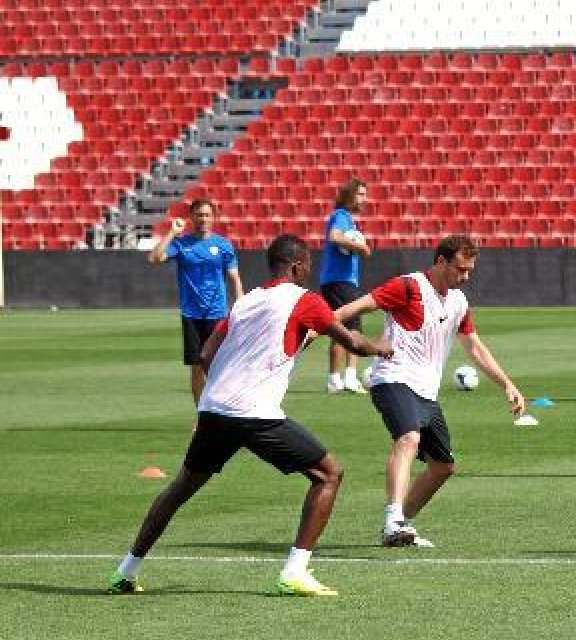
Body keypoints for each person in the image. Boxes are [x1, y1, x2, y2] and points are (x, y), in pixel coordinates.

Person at [108, 235, 393, 597]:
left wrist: (230, 385)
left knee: (181, 488)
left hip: (214, 409)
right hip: (254, 413)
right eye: (308, 264)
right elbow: (352, 342)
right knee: (328, 475)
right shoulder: (305, 300)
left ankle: (125, 570)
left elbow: (207, 354)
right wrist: (380, 347)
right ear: (296, 266)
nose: (310, 270)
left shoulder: (247, 301)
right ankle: (294, 572)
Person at [334, 235, 526, 548]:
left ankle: (401, 526)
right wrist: (314, 327)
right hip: (392, 378)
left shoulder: (458, 302)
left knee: (443, 466)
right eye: (460, 269)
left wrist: (507, 383)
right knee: (409, 438)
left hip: (425, 391)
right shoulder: (407, 287)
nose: (465, 277)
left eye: (469, 271)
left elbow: (474, 347)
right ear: (440, 261)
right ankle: (393, 519)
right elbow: (354, 308)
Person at [148, 198, 243, 403]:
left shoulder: (223, 246)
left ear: (213, 218)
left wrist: (241, 307)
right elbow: (154, 258)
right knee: (197, 367)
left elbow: (234, 278)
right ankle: (201, 414)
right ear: (191, 217)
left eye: (207, 215)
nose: (203, 219)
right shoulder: (181, 244)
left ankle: (219, 409)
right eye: (199, 215)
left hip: (217, 313)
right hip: (191, 315)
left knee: (218, 366)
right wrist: (172, 232)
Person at [320, 177, 373, 394]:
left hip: (334, 282)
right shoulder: (341, 216)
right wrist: (361, 247)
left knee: (339, 329)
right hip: (341, 281)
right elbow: (335, 237)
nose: (364, 199)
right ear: (349, 195)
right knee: (353, 328)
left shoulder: (346, 219)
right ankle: (350, 378)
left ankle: (334, 380)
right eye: (360, 194)